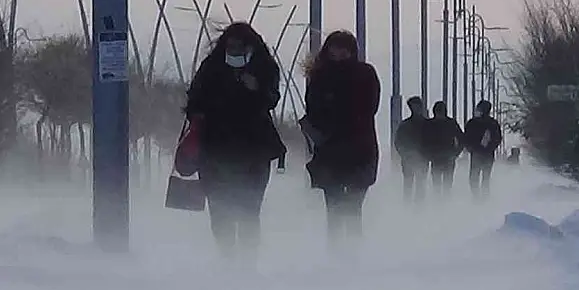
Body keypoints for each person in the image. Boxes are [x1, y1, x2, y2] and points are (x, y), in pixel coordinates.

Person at [184, 21, 285, 261]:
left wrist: (256, 89)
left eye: (241, 47)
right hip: (215, 148)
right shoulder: (211, 68)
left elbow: (271, 99)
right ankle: (227, 259)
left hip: (253, 149)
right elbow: (194, 101)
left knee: (249, 209)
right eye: (231, 46)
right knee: (220, 210)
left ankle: (248, 262)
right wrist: (201, 111)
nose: (235, 52)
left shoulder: (264, 68)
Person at [301, 30, 381, 251]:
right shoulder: (319, 76)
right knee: (334, 205)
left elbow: (370, 107)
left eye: (343, 48)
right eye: (335, 48)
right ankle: (337, 252)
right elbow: (313, 108)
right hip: (332, 148)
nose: (339, 53)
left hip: (358, 147)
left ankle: (352, 253)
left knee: (353, 204)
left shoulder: (364, 73)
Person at [462, 99, 503, 198]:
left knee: (474, 177)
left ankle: (476, 197)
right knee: (485, 178)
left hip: (476, 154)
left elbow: (466, 137)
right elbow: (497, 138)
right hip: (488, 154)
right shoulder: (493, 123)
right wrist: (491, 148)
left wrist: (470, 148)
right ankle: (484, 198)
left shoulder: (472, 123)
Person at [394, 96, 429, 205]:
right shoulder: (426, 124)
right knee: (412, 185)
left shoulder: (406, 125)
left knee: (417, 185)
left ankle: (415, 208)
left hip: (417, 158)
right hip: (413, 158)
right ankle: (412, 207)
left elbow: (398, 142)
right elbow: (398, 142)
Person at [424, 100, 464, 194]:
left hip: (445, 158)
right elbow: (424, 141)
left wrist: (455, 154)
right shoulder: (448, 123)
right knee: (438, 185)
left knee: (446, 185)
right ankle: (441, 204)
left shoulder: (433, 124)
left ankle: (443, 203)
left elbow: (461, 139)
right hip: (439, 158)